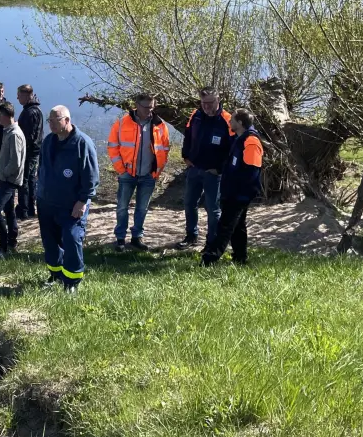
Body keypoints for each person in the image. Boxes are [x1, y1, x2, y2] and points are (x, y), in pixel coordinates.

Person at [36, 106, 100, 293]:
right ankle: (55, 274)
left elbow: (91, 176)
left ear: (67, 120)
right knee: (50, 241)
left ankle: (72, 281)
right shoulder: (49, 141)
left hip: (72, 204)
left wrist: (83, 200)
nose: (51, 124)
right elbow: (42, 168)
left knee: (72, 239)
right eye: (49, 121)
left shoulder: (82, 143)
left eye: (56, 120)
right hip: (47, 202)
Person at [107, 93, 171, 251]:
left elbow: (164, 149)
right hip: (127, 174)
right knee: (122, 207)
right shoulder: (122, 123)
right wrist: (121, 170)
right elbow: (113, 146)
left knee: (142, 208)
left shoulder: (160, 125)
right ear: (137, 105)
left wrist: (157, 171)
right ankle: (120, 239)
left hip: (149, 175)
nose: (149, 110)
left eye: (152, 107)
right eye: (146, 107)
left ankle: (137, 238)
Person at [202, 110, 264, 267]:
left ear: (240, 123)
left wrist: (238, 193)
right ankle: (240, 258)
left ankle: (210, 259)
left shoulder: (251, 141)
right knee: (238, 226)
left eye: (232, 120)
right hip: (233, 191)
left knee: (224, 226)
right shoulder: (240, 138)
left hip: (239, 194)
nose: (230, 122)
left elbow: (252, 171)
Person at [178, 87, 234, 249]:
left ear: (218, 100)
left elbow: (233, 149)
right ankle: (191, 236)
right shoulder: (195, 115)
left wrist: (220, 169)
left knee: (213, 208)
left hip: (213, 173)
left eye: (210, 102)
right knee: (189, 203)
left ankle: (212, 242)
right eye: (204, 103)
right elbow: (188, 136)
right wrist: (186, 156)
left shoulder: (228, 120)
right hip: (194, 168)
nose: (207, 106)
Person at [0, 102, 26, 260]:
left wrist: (3, 174)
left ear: (5, 115)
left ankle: (2, 247)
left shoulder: (14, 134)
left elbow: (15, 163)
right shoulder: (8, 131)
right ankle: (12, 242)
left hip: (9, 180)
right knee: (9, 211)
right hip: (7, 179)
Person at [15, 85, 44, 221]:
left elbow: (28, 135)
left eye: (19, 95)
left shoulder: (29, 112)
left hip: (28, 151)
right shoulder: (36, 110)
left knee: (24, 180)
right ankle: (31, 208)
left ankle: (24, 209)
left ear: (27, 96)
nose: (17, 98)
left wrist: (21, 149)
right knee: (31, 179)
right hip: (35, 151)